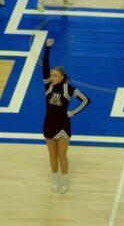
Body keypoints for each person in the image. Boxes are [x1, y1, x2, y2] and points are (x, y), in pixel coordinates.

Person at [41, 38, 90, 193]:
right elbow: (44, 67)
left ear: (61, 77)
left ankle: (65, 179)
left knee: (62, 156)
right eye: (51, 75)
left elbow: (86, 100)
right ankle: (54, 179)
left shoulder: (68, 89)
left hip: (63, 125)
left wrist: (73, 112)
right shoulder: (48, 86)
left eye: (55, 76)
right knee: (52, 155)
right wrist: (47, 48)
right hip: (49, 123)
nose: (51, 77)